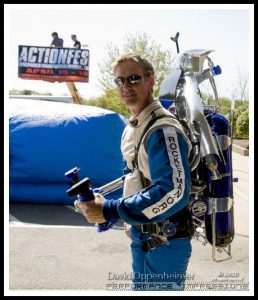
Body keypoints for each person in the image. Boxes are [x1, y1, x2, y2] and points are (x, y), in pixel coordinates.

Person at [75, 53, 194, 291]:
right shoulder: (135, 126)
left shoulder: (162, 129)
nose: (126, 86)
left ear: (150, 81)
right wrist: (128, 216)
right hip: (144, 237)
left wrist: (110, 209)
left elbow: (175, 191)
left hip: (165, 242)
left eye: (133, 78)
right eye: (120, 81)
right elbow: (138, 176)